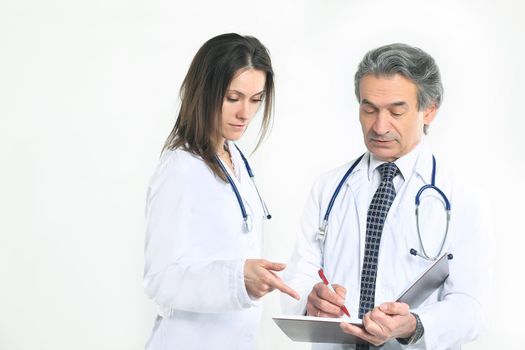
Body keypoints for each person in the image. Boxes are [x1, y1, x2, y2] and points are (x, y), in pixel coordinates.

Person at [282, 43, 492, 349]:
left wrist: (414, 325)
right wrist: (310, 298)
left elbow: (472, 308)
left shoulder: (462, 198)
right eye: (369, 109)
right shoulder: (328, 187)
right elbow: (299, 274)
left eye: (396, 111)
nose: (380, 126)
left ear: (429, 110)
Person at [143, 33, 299, 350]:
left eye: (256, 100)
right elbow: (160, 279)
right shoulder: (180, 170)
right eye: (233, 98)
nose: (246, 113)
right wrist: (237, 278)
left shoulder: (236, 158)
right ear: (205, 93)